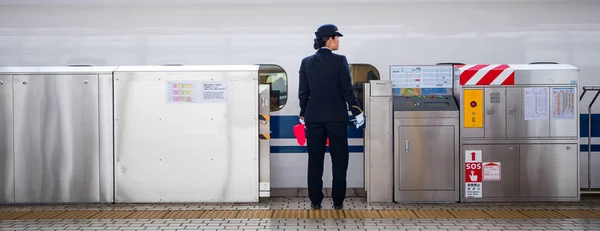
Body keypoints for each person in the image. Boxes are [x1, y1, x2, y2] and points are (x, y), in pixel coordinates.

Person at [297, 24, 365, 210]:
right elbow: (347, 90)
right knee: (340, 160)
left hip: (314, 118)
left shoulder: (306, 62)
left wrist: (304, 113)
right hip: (337, 118)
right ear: (329, 39)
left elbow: (303, 92)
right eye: (337, 38)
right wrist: (357, 111)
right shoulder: (340, 60)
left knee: (315, 160)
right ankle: (337, 201)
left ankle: (316, 201)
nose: (339, 41)